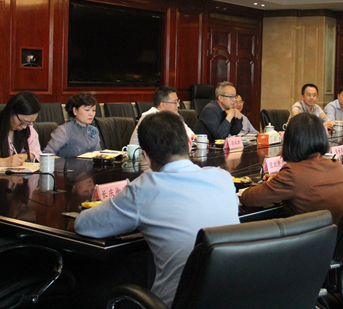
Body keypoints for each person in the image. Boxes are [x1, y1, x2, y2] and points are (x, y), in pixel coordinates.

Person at [74, 111, 239, 307]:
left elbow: (84, 225)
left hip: (175, 303)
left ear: (146, 156)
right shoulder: (223, 178)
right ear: (189, 144)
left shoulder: (144, 188)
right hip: (233, 298)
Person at [240, 113, 343, 225]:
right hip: (333, 233)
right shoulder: (336, 166)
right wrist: (277, 180)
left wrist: (274, 182)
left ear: (291, 140)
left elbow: (249, 198)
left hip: (305, 234)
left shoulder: (292, 173)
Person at [129, 86, 195, 146]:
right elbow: (167, 141)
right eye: (175, 102)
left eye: (178, 101)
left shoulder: (175, 115)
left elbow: (192, 136)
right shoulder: (149, 117)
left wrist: (196, 138)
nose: (178, 105)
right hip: (140, 154)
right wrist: (190, 137)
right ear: (163, 105)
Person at [43, 93, 101, 157]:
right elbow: (47, 154)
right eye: (87, 110)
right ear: (75, 110)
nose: (91, 114)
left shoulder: (93, 130)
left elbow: (98, 153)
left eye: (93, 110)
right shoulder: (63, 130)